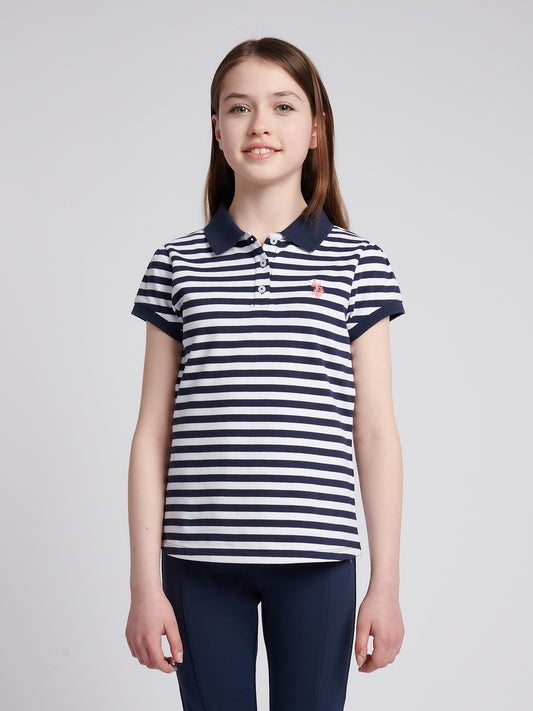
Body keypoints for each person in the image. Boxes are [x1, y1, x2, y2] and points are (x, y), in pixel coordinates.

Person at [125, 36, 406, 711]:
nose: (259, 124)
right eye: (238, 107)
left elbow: (374, 430)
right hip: (197, 563)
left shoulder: (357, 262)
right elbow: (151, 432)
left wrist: (386, 584)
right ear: (216, 130)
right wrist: (143, 586)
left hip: (318, 560)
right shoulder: (177, 264)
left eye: (282, 106)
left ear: (314, 129)